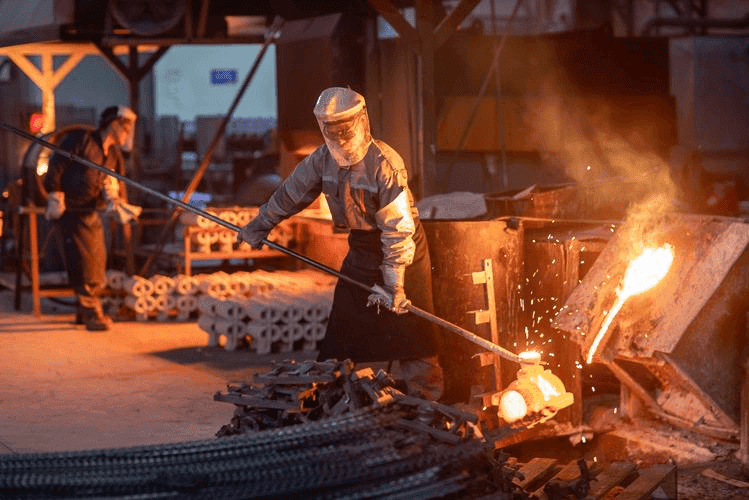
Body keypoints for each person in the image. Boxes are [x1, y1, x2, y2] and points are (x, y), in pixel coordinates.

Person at [239, 87, 444, 399]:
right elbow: (291, 193)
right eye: (332, 129)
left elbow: (397, 230)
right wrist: (260, 225)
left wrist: (396, 284)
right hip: (362, 247)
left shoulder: (385, 164)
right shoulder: (322, 160)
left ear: (361, 120)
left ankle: (427, 399)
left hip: (403, 250)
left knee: (413, 331)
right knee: (344, 327)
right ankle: (333, 395)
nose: (340, 136)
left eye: (345, 128)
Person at [44, 105, 138, 331]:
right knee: (84, 261)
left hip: (92, 212)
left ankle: (83, 311)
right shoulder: (81, 141)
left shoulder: (113, 155)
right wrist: (55, 194)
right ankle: (91, 313)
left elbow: (115, 182)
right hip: (71, 211)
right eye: (125, 129)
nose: (127, 135)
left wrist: (116, 200)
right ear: (113, 125)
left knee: (96, 259)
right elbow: (56, 166)